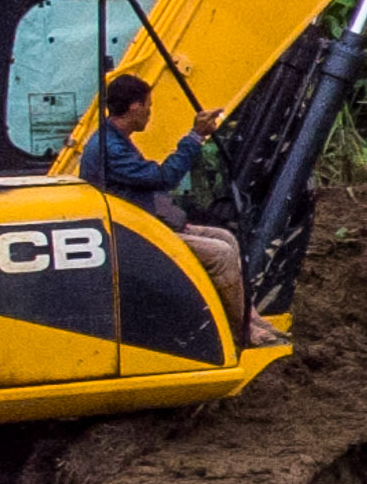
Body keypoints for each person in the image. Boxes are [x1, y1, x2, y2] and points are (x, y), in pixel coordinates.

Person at [85, 72, 280, 349]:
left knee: (226, 238)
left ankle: (250, 317)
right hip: (131, 235)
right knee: (220, 254)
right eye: (148, 106)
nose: (150, 114)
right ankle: (241, 331)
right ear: (134, 107)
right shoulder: (111, 149)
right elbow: (162, 178)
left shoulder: (114, 138)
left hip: (142, 222)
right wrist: (194, 137)